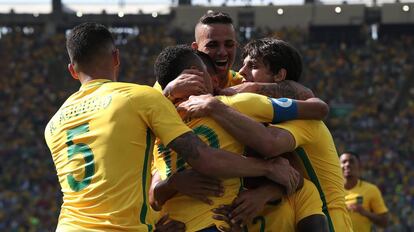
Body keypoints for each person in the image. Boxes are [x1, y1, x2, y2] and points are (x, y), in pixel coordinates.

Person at [44, 22, 303, 231]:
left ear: (72, 71)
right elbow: (203, 158)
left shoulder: (54, 123)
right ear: (116, 57)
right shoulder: (140, 97)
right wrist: (269, 168)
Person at [178, 38, 353, 232]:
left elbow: (271, 145)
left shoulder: (303, 120)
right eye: (242, 64)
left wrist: (215, 105)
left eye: (252, 65)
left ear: (279, 75)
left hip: (328, 221)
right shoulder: (260, 119)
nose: (242, 72)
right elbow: (281, 172)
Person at [340, 152, 389, 232]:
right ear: (338, 166)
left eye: (351, 161)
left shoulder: (371, 190)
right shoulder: (332, 190)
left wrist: (365, 212)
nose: (347, 164)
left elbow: (384, 222)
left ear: (359, 166)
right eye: (344, 162)